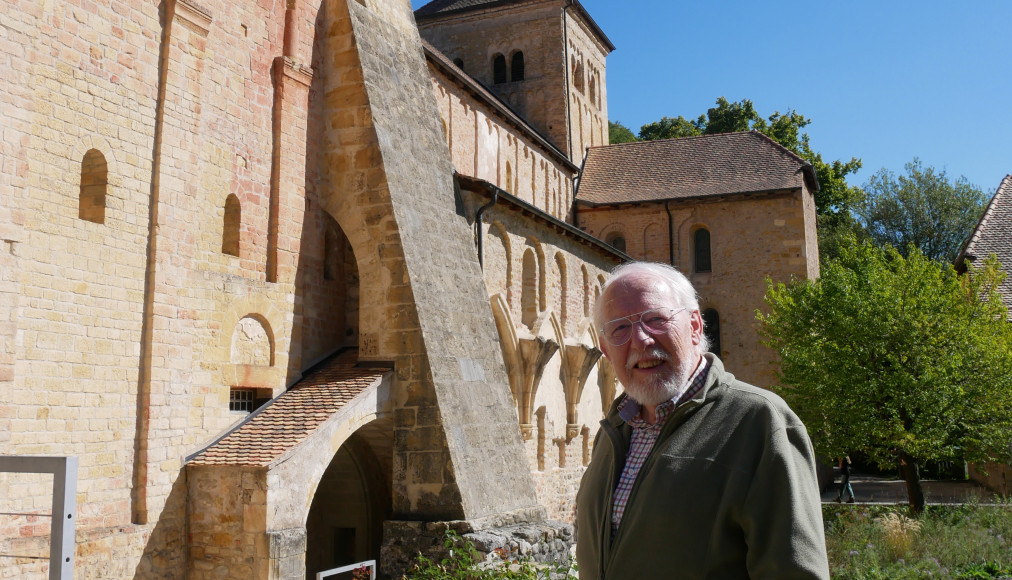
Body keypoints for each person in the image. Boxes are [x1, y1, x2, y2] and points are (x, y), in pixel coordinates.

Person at [576, 262, 829, 579]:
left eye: (655, 319)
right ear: (605, 349)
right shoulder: (614, 431)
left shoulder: (759, 422)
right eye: (620, 329)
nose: (640, 340)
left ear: (695, 325)